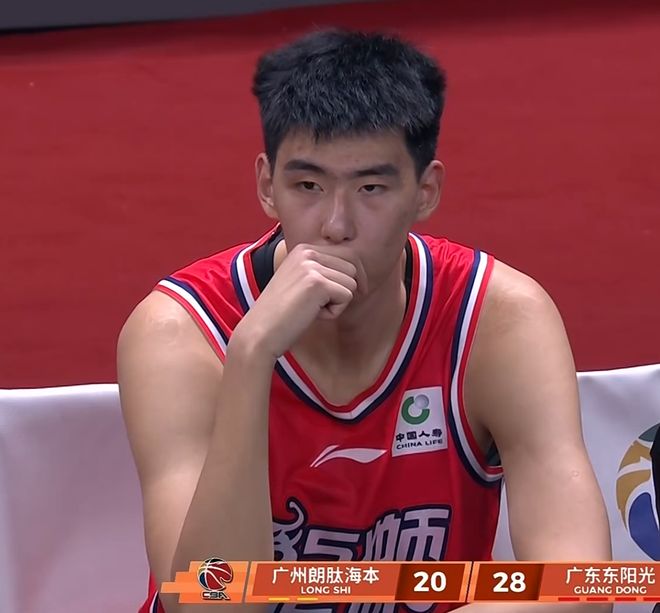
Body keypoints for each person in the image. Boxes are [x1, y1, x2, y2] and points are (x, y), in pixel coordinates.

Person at [118, 29, 611, 613]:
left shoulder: (496, 319)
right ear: (267, 186)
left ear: (425, 191)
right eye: (307, 185)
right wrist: (251, 355)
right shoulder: (182, 331)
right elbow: (209, 603)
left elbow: (582, 590)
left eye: (371, 188)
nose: (336, 225)